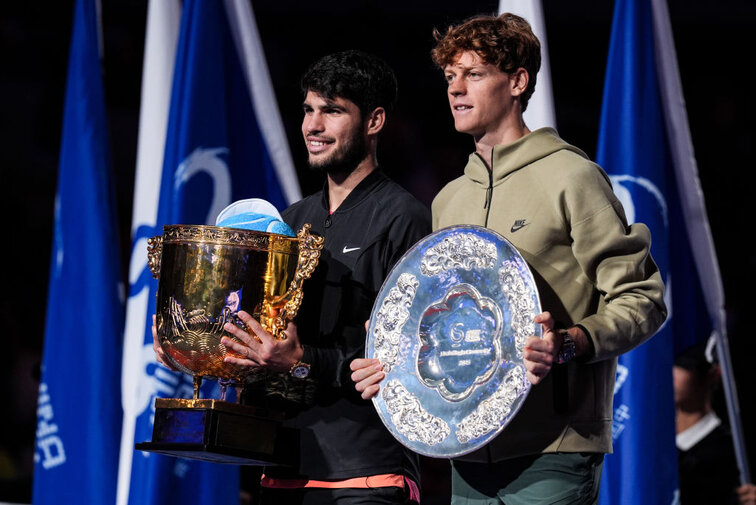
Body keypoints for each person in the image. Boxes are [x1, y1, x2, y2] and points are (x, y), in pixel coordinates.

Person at [352, 13, 667, 504]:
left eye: (473, 74)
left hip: (554, 449)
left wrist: (571, 342)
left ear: (518, 82)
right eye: (450, 77)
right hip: (466, 452)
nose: (456, 89)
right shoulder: (449, 200)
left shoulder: (571, 177)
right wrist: (388, 359)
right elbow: (436, 322)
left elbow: (642, 298)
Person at [156, 50, 430, 504]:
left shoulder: (404, 219)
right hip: (282, 471)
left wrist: (301, 360)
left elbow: (406, 361)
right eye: (308, 110)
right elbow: (260, 344)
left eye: (333, 111)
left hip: (366, 475)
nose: (313, 126)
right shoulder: (290, 220)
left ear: (375, 121)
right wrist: (193, 339)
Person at [674, 339, 755, 505]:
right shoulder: (648, 436)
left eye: (685, 366)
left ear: (713, 374)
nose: (672, 374)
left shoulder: (731, 450)